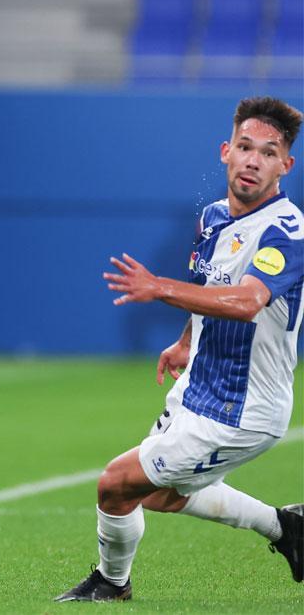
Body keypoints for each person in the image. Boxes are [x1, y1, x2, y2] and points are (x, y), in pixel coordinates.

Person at [56, 97, 304, 602]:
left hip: (244, 408)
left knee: (115, 484)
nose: (253, 160)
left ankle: (112, 583)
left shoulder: (287, 231)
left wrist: (158, 288)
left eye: (268, 152)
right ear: (225, 152)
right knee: (159, 497)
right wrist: (186, 341)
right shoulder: (213, 217)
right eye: (245, 147)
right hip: (200, 387)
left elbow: (247, 301)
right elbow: (210, 285)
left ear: (286, 165)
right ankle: (288, 529)